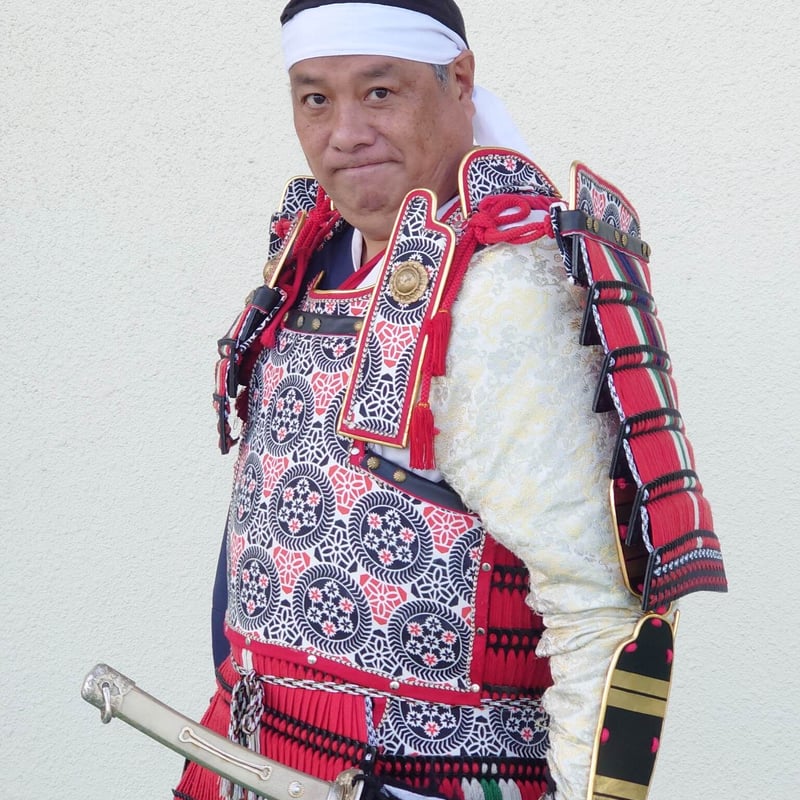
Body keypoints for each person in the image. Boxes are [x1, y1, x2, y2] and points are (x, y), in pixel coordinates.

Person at [177, 3, 727, 800]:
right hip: (250, 761)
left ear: (459, 79)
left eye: (379, 92)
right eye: (315, 98)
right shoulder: (309, 257)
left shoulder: (508, 285)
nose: (345, 133)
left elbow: (602, 615)